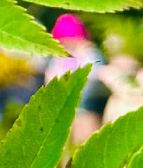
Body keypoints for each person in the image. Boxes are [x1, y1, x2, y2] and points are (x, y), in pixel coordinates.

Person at [45, 14, 109, 143]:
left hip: (86, 110)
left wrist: (83, 53)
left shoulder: (90, 54)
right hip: (61, 111)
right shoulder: (59, 58)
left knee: (84, 143)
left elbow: (97, 73)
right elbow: (50, 77)